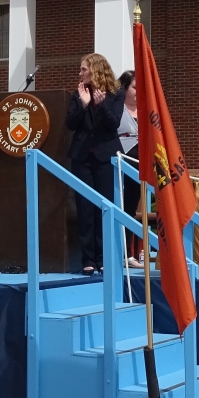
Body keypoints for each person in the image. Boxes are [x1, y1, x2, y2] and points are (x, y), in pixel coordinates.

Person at [66, 53, 123, 274]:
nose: (80, 73)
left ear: (96, 70)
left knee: (104, 208)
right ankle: (87, 259)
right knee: (85, 210)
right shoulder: (78, 94)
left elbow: (114, 123)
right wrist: (83, 105)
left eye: (83, 69)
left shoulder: (115, 94)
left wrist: (101, 105)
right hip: (82, 158)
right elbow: (70, 124)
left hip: (105, 158)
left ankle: (103, 258)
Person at [116, 70, 143, 267]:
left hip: (140, 165)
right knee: (119, 207)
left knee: (131, 209)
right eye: (134, 87)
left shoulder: (146, 110)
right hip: (120, 162)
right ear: (124, 88)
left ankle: (128, 254)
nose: (138, 91)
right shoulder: (117, 108)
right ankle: (115, 252)